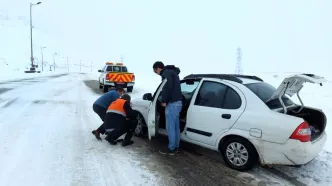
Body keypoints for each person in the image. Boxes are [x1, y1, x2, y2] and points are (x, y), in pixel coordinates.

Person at [153, 61, 183, 155]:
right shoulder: (173, 72)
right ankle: (176, 147)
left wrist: (164, 100)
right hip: (178, 102)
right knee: (176, 127)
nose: (156, 73)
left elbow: (167, 87)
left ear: (158, 68)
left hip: (172, 104)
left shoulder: (165, 73)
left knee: (170, 127)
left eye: (155, 71)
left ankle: (171, 149)